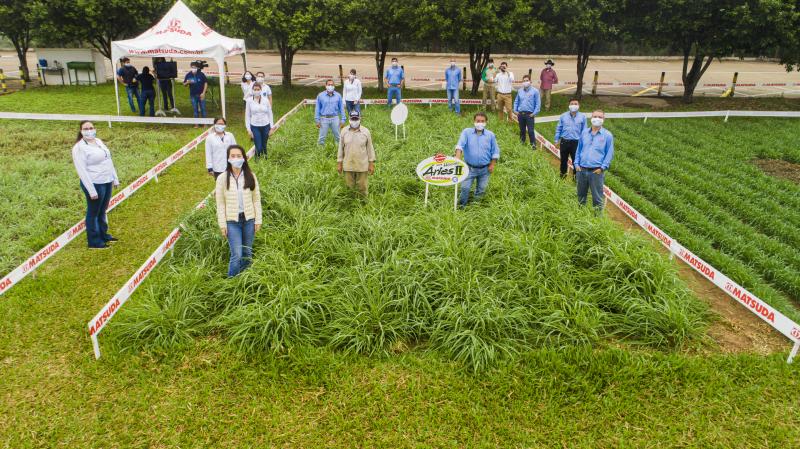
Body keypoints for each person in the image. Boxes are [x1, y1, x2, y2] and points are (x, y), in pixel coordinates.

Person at [215, 145, 262, 277]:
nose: (236, 158)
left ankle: (245, 279)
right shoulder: (222, 178)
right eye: (233, 156)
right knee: (236, 254)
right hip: (232, 222)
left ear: (244, 158)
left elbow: (256, 200)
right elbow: (220, 204)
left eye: (239, 156)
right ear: (228, 159)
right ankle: (232, 282)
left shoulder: (250, 176)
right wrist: (222, 225)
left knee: (247, 253)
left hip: (249, 220)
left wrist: (258, 220)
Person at [71, 121, 120, 249]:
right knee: (93, 213)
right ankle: (94, 241)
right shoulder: (79, 148)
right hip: (94, 183)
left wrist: (115, 178)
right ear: (81, 131)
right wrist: (91, 190)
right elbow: (82, 170)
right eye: (86, 128)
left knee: (102, 211)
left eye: (91, 127)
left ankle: (104, 235)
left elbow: (108, 160)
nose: (89, 130)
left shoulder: (98, 141)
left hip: (106, 180)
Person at [455, 112, 500, 208]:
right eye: (478, 121)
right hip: (469, 168)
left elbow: (495, 151)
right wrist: (457, 158)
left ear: (486, 122)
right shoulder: (466, 132)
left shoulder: (490, 135)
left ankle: (475, 207)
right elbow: (460, 145)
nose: (480, 123)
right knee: (465, 187)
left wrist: (492, 164)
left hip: (485, 169)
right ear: (474, 122)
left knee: (481, 189)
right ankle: (461, 206)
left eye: (482, 121)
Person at [574, 110, 614, 212]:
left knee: (597, 198)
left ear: (603, 119)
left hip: (596, 171)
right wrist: (576, 164)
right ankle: (579, 216)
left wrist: (602, 168)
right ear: (591, 118)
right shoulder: (584, 133)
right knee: (580, 196)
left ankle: (597, 221)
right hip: (581, 169)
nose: (597, 119)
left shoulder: (607, 135)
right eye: (595, 116)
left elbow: (609, 154)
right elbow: (579, 149)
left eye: (600, 117)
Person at [337, 111, 376, 198]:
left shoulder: (366, 132)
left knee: (362, 187)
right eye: (352, 119)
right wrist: (339, 163)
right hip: (348, 164)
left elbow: (370, 148)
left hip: (362, 165)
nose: (354, 121)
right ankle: (350, 203)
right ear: (349, 119)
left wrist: (371, 164)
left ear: (360, 119)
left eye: (356, 119)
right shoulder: (344, 131)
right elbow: (340, 148)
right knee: (349, 187)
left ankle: (363, 204)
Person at [554, 98, 586, 179]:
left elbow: (584, 131)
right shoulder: (563, 116)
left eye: (576, 104)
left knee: (576, 162)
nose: (574, 105)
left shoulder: (582, 117)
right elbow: (559, 128)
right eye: (572, 104)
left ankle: (575, 179)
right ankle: (562, 177)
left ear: (579, 106)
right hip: (564, 142)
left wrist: (584, 143)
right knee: (563, 161)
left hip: (576, 143)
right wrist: (556, 140)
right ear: (569, 105)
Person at [245, 83, 273, 159]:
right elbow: (247, 116)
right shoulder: (249, 101)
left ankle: (265, 159)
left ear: (261, 90)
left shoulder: (266, 100)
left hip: (265, 126)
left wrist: (271, 127)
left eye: (258, 89)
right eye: (255, 89)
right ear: (252, 90)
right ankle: (257, 160)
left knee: (264, 145)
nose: (256, 91)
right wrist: (248, 129)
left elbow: (270, 114)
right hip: (255, 126)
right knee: (258, 146)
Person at [512, 74, 540, 148]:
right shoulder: (520, 91)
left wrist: (534, 113)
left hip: (530, 114)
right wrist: (515, 110)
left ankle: (533, 145)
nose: (525, 82)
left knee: (530, 131)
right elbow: (516, 101)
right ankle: (522, 144)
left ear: (530, 81)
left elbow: (538, 103)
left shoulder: (535, 91)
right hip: (520, 114)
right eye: (524, 81)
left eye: (527, 80)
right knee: (522, 131)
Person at [315, 79, 346, 146]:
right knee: (321, 137)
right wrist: (317, 120)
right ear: (325, 86)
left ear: (334, 86)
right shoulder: (320, 96)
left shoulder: (338, 96)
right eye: (329, 85)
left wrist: (343, 119)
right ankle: (320, 151)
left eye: (332, 85)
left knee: (338, 137)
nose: (330, 86)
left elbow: (341, 108)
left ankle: (339, 151)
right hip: (324, 119)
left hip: (335, 118)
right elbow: (317, 108)